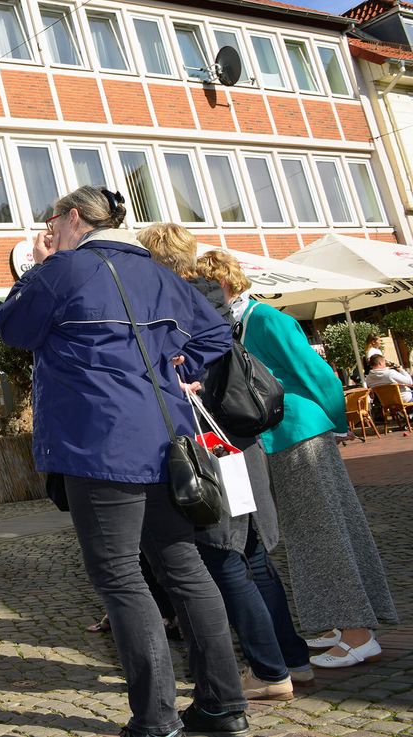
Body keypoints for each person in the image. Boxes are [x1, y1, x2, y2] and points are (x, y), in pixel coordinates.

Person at [0, 188, 245, 737]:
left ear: (74, 218)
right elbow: (216, 330)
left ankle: (156, 720)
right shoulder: (158, 273)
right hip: (168, 441)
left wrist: (39, 267)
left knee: (121, 577)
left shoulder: (62, 271)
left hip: (99, 444)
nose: (49, 229)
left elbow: (11, 328)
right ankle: (223, 707)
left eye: (52, 219)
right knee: (184, 569)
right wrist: (180, 369)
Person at [199, 249, 399, 669]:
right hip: (277, 440)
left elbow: (319, 375)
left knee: (324, 535)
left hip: (300, 436)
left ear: (224, 283)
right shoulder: (235, 324)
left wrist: (337, 423)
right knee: (311, 535)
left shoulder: (266, 320)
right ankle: (338, 624)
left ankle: (359, 634)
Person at [140, 224, 311, 699]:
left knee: (222, 555)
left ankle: (269, 670)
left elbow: (186, 368)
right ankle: (292, 658)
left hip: (210, 446)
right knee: (252, 552)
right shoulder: (211, 295)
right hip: (241, 442)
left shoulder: (169, 304)